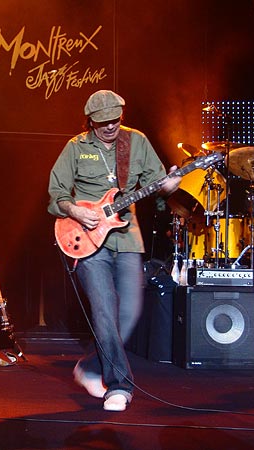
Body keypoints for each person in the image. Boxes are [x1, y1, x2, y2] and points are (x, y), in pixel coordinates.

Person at [48, 90, 181, 412]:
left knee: (130, 313)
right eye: (103, 122)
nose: (110, 127)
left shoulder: (136, 142)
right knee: (105, 311)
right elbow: (56, 193)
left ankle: (90, 366)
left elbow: (157, 185)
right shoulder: (76, 147)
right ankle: (119, 386)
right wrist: (76, 211)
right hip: (88, 240)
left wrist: (167, 186)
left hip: (127, 237)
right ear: (90, 121)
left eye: (115, 120)